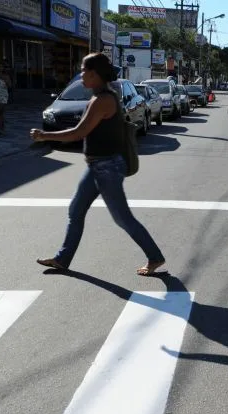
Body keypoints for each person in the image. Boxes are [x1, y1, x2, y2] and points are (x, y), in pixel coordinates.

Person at [30, 53, 166, 276]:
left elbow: (79, 132)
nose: (81, 74)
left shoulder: (103, 99)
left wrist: (44, 136)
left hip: (107, 168)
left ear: (95, 74)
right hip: (97, 166)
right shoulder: (101, 96)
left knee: (123, 219)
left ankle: (155, 257)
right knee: (76, 210)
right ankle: (63, 258)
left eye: (84, 70)